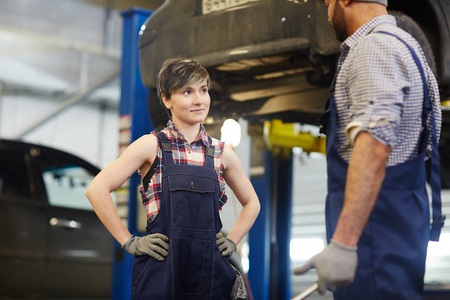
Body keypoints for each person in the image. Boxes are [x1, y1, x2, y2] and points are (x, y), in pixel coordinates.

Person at [293, 1, 445, 299]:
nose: (326, 9)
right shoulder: (408, 46)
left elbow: (374, 147)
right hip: (393, 231)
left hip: (374, 240)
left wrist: (345, 244)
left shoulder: (374, 50)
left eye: (328, 1)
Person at [85, 58, 260, 300]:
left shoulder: (221, 153)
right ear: (167, 99)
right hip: (161, 274)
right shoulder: (151, 145)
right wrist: (129, 242)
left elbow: (252, 203)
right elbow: (97, 189)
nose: (199, 100)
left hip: (210, 276)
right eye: (187, 92)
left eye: (203, 90)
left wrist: (232, 241)